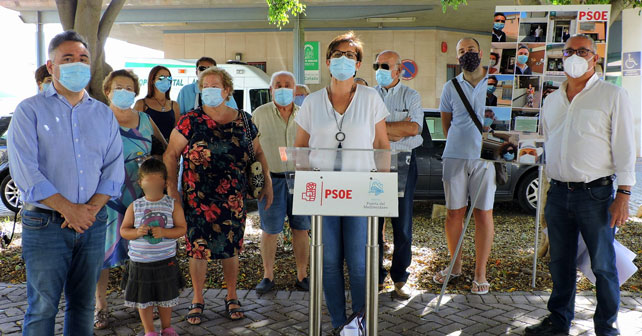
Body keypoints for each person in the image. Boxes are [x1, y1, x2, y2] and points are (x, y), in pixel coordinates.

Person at [7, 30, 125, 335]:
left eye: (83, 58)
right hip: (45, 225)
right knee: (42, 307)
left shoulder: (103, 114)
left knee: (84, 305)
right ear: (51, 66)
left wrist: (88, 210)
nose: (77, 64)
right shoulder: (29, 110)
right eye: (68, 58)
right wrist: (68, 209)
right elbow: (25, 172)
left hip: (92, 223)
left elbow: (114, 168)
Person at [525, 34, 635, 336]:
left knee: (603, 266)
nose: (575, 56)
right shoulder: (551, 99)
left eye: (583, 51)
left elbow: (626, 147)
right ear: (562, 57)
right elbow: (551, 143)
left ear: (594, 57)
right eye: (569, 51)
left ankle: (607, 328)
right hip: (559, 193)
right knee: (560, 263)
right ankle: (558, 322)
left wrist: (624, 193)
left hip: (597, 195)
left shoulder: (612, 96)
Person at [294, 31, 390, 330]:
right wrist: (307, 190)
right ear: (327, 61)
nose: (343, 60)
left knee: (360, 265)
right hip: (323, 193)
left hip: (361, 192)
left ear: (359, 64)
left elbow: (383, 146)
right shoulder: (311, 102)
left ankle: (359, 325)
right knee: (329, 263)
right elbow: (300, 150)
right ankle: (339, 324)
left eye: (350, 55)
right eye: (338, 54)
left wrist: (381, 193)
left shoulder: (371, 98)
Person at [163, 67, 273, 325]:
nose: (210, 90)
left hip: (233, 198)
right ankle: (197, 299)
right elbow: (170, 154)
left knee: (231, 247)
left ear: (227, 90)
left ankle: (231, 295)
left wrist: (265, 181)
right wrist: (172, 189)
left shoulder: (244, 120)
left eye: (216, 85)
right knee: (197, 249)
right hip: (196, 197)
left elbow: (258, 154)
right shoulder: (189, 120)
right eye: (205, 85)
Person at [93, 69, 167, 330]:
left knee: (140, 252)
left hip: (142, 198)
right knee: (104, 253)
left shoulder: (145, 119)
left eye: (128, 88)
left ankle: (140, 302)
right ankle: (100, 306)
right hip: (107, 197)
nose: (124, 92)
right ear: (108, 91)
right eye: (118, 87)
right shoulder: (98, 118)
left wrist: (155, 165)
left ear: (135, 92)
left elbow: (165, 149)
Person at [433, 37, 495, 295]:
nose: (466, 54)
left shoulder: (495, 83)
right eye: (461, 51)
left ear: (480, 53)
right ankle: (455, 265)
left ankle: (480, 273)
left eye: (470, 50)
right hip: (455, 156)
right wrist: (461, 143)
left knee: (483, 214)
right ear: (457, 57)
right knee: (454, 213)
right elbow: (446, 123)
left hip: (486, 158)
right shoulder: (450, 86)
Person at [252, 71, 311, 294]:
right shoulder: (259, 114)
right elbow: (252, 150)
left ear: (295, 90)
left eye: (288, 85)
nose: (283, 88)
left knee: (301, 229)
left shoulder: (306, 114)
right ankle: (267, 276)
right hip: (271, 180)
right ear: (271, 89)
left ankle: (302, 275)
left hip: (301, 179)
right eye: (278, 84)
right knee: (270, 230)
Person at [373, 50, 422, 299]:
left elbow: (414, 128)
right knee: (373, 225)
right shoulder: (368, 96)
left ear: (398, 69)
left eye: (384, 65)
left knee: (402, 225)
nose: (379, 69)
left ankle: (400, 279)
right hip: (374, 164)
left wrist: (381, 129)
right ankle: (375, 277)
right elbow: (365, 130)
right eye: (376, 65)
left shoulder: (411, 95)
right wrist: (396, 130)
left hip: (404, 163)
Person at [120, 158, 187, 336]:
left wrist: (164, 232)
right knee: (145, 299)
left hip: (165, 260)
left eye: (157, 183)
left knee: (166, 297)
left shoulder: (172, 205)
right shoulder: (135, 206)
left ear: (165, 183)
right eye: (149, 184)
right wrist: (137, 232)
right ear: (140, 183)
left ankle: (167, 328)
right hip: (140, 262)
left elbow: (182, 229)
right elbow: (124, 231)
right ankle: (149, 330)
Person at [134, 66, 180, 140]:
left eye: (168, 78)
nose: (165, 80)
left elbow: (177, 132)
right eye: (161, 77)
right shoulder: (141, 104)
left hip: (169, 148)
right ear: (152, 80)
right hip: (149, 147)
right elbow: (135, 130)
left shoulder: (174, 105)